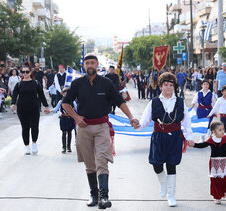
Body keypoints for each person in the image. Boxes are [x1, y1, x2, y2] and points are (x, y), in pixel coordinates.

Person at [62, 53, 138, 209]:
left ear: (97, 65)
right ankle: (93, 195)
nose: (90, 65)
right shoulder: (77, 84)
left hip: (102, 127)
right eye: (87, 63)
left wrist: (131, 117)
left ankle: (104, 197)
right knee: (90, 163)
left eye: (92, 63)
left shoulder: (106, 83)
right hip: (83, 128)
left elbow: (119, 101)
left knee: (102, 160)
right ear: (84, 66)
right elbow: (65, 103)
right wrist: (76, 118)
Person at [133, 72, 193, 207]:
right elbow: (145, 120)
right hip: (159, 137)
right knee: (156, 164)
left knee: (172, 165)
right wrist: (139, 125)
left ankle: (171, 195)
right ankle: (163, 182)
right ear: (160, 86)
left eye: (171, 85)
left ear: (174, 87)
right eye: (166, 85)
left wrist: (189, 137)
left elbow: (187, 121)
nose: (168, 88)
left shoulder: (180, 102)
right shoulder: (153, 102)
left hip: (175, 137)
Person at [187, 121, 226, 204]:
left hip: (224, 162)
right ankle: (217, 196)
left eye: (223, 129)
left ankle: (224, 190)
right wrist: (194, 145)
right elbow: (202, 145)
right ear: (213, 131)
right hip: (214, 163)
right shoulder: (211, 140)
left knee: (225, 179)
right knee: (214, 180)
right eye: (220, 130)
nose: (223, 131)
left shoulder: (225, 139)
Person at [11, 66, 49, 155]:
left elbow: (41, 95)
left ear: (30, 72)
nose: (25, 74)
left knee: (35, 126)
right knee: (25, 127)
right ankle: (27, 146)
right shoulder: (19, 84)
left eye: (27, 72)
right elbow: (14, 95)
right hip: (22, 108)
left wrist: (46, 106)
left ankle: (34, 143)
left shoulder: (36, 83)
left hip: (34, 108)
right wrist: (12, 104)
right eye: (23, 72)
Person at [51, 87, 77, 153]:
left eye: (67, 93)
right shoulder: (61, 101)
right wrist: (50, 111)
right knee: (64, 132)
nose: (65, 94)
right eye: (64, 93)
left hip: (70, 118)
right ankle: (64, 147)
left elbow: (77, 109)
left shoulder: (72, 101)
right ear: (62, 94)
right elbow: (56, 109)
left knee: (69, 132)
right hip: (63, 118)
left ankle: (69, 147)